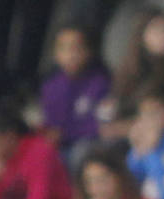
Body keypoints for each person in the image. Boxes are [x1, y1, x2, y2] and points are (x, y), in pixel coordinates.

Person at [39, 21, 111, 170]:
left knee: (81, 152)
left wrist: (66, 132)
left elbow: (101, 125)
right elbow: (51, 126)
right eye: (63, 49)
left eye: (76, 48)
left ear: (88, 51)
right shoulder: (50, 86)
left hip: (89, 145)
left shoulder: (101, 82)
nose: (70, 55)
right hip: (60, 147)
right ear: (55, 54)